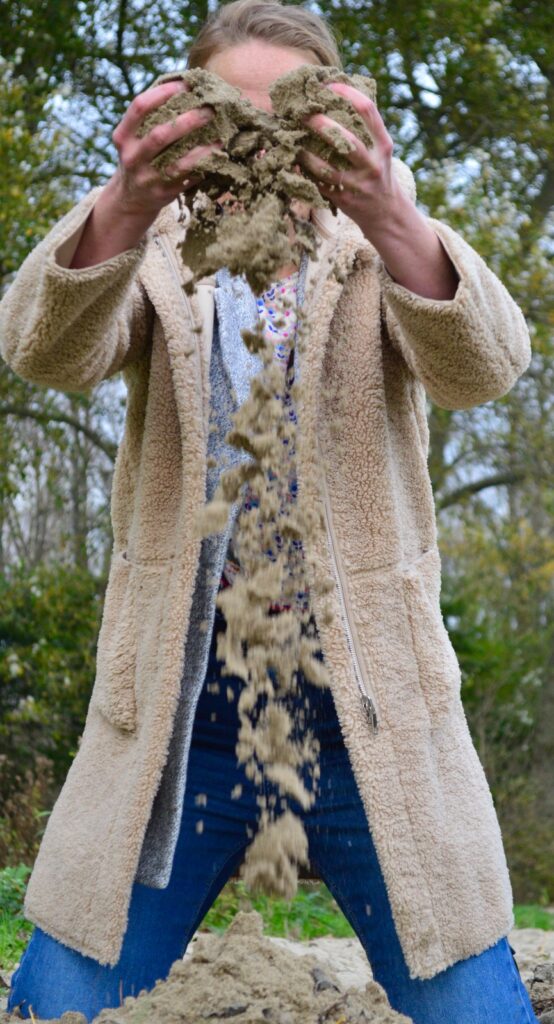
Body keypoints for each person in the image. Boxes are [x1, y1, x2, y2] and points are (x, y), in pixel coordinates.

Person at [0, 1, 538, 1021]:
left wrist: (388, 212)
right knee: (53, 1006)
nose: (259, 145)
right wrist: (118, 202)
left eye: (288, 116)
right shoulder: (156, 245)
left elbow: (487, 367)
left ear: (337, 120)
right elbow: (43, 350)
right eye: (229, 115)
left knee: (477, 1009)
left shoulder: (377, 239)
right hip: (181, 724)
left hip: (365, 716)